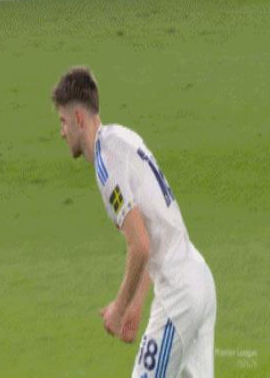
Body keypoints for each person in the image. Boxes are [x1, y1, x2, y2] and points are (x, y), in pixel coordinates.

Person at [51, 67, 216, 376]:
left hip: (179, 296)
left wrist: (118, 307)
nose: (61, 132)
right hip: (200, 280)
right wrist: (136, 303)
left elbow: (139, 245)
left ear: (78, 119)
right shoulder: (123, 137)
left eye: (63, 121)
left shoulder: (107, 163)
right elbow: (152, 233)